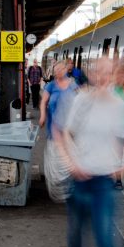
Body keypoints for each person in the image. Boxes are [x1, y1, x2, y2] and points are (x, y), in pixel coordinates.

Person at [60, 57, 124, 247]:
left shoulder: (119, 105)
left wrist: (123, 164)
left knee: (105, 239)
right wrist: (72, 163)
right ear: (91, 75)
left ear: (114, 77)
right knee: (76, 233)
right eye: (99, 72)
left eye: (107, 73)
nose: (102, 78)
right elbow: (67, 133)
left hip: (104, 180)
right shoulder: (81, 100)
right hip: (80, 178)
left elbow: (119, 139)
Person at [39, 61, 78, 202]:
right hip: (54, 126)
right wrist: (43, 115)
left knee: (71, 156)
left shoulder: (73, 85)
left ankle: (71, 187)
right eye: (56, 70)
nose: (58, 72)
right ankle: (58, 187)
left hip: (70, 129)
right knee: (55, 157)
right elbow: (43, 102)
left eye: (61, 69)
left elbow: (79, 104)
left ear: (66, 70)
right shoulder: (51, 86)